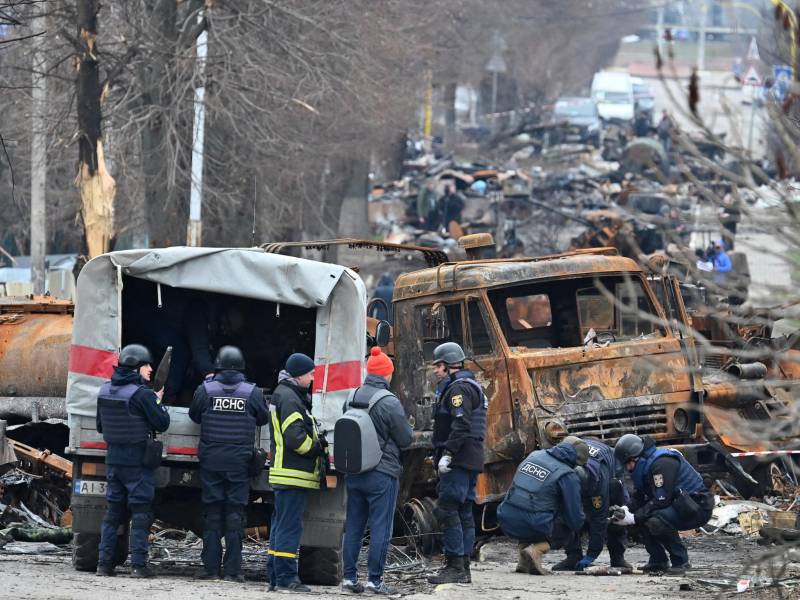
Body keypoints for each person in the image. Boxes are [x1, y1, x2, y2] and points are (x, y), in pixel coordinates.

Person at [189, 346, 269, 582]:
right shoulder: (252, 392)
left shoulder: (205, 390)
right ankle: (233, 571)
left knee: (212, 513)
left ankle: (210, 569)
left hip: (211, 460)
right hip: (239, 462)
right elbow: (263, 418)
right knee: (235, 515)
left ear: (218, 366)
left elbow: (194, 415)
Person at [341, 347, 413, 595]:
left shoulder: (352, 396)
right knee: (381, 527)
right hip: (382, 473)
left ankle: (349, 580)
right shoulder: (389, 401)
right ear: (386, 375)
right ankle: (375, 581)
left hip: (354, 471)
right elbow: (406, 439)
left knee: (353, 527)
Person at [95, 344, 170, 578]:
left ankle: (104, 565)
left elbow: (99, 426)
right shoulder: (142, 394)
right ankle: (139, 566)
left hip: (114, 461)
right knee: (140, 514)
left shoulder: (105, 390)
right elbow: (162, 422)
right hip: (137, 463)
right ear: (137, 368)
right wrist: (157, 401)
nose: (150, 369)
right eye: (147, 365)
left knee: (113, 515)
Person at [427, 342, 487, 585]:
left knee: (447, 508)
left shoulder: (458, 389)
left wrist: (448, 453)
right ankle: (463, 568)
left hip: (459, 459)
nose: (435, 371)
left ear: (447, 365)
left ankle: (455, 567)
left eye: (437, 367)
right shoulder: (472, 385)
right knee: (463, 511)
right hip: (471, 456)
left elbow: (461, 424)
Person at [612, 434, 714, 575]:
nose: (628, 468)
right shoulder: (644, 467)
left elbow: (661, 499)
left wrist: (634, 517)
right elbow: (639, 497)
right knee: (644, 517)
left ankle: (680, 561)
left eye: (628, 463)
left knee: (655, 519)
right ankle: (658, 561)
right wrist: (625, 510)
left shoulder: (662, 463)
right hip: (680, 505)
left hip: (697, 506)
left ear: (637, 457)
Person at [266, 353, 323, 593]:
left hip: (285, 474)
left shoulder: (286, 394)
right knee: (289, 527)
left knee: (280, 526)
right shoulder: (290, 399)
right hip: (292, 473)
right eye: (310, 374)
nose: (312, 378)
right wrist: (317, 447)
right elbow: (295, 439)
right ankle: (286, 578)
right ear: (299, 374)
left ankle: (275, 575)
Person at [497, 438, 587, 575]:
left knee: (531, 509)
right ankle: (537, 550)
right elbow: (575, 518)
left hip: (505, 517)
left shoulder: (535, 455)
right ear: (577, 461)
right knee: (567, 525)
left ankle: (523, 560)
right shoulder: (568, 475)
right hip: (534, 523)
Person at [552, 438, 630, 572]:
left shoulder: (600, 481)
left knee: (615, 512)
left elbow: (599, 520)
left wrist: (591, 554)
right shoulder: (562, 470)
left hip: (610, 472)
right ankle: (573, 556)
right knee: (565, 511)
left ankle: (617, 557)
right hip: (580, 452)